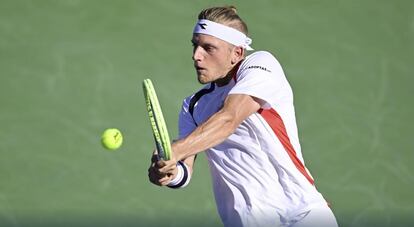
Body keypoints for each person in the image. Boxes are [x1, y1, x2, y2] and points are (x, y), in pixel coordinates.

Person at [148, 5, 338, 227]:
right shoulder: (193, 106)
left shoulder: (260, 66)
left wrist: (176, 149)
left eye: (208, 48)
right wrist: (168, 173)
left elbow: (229, 118)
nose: (196, 56)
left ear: (237, 53)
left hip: (301, 216)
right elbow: (184, 170)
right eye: (195, 45)